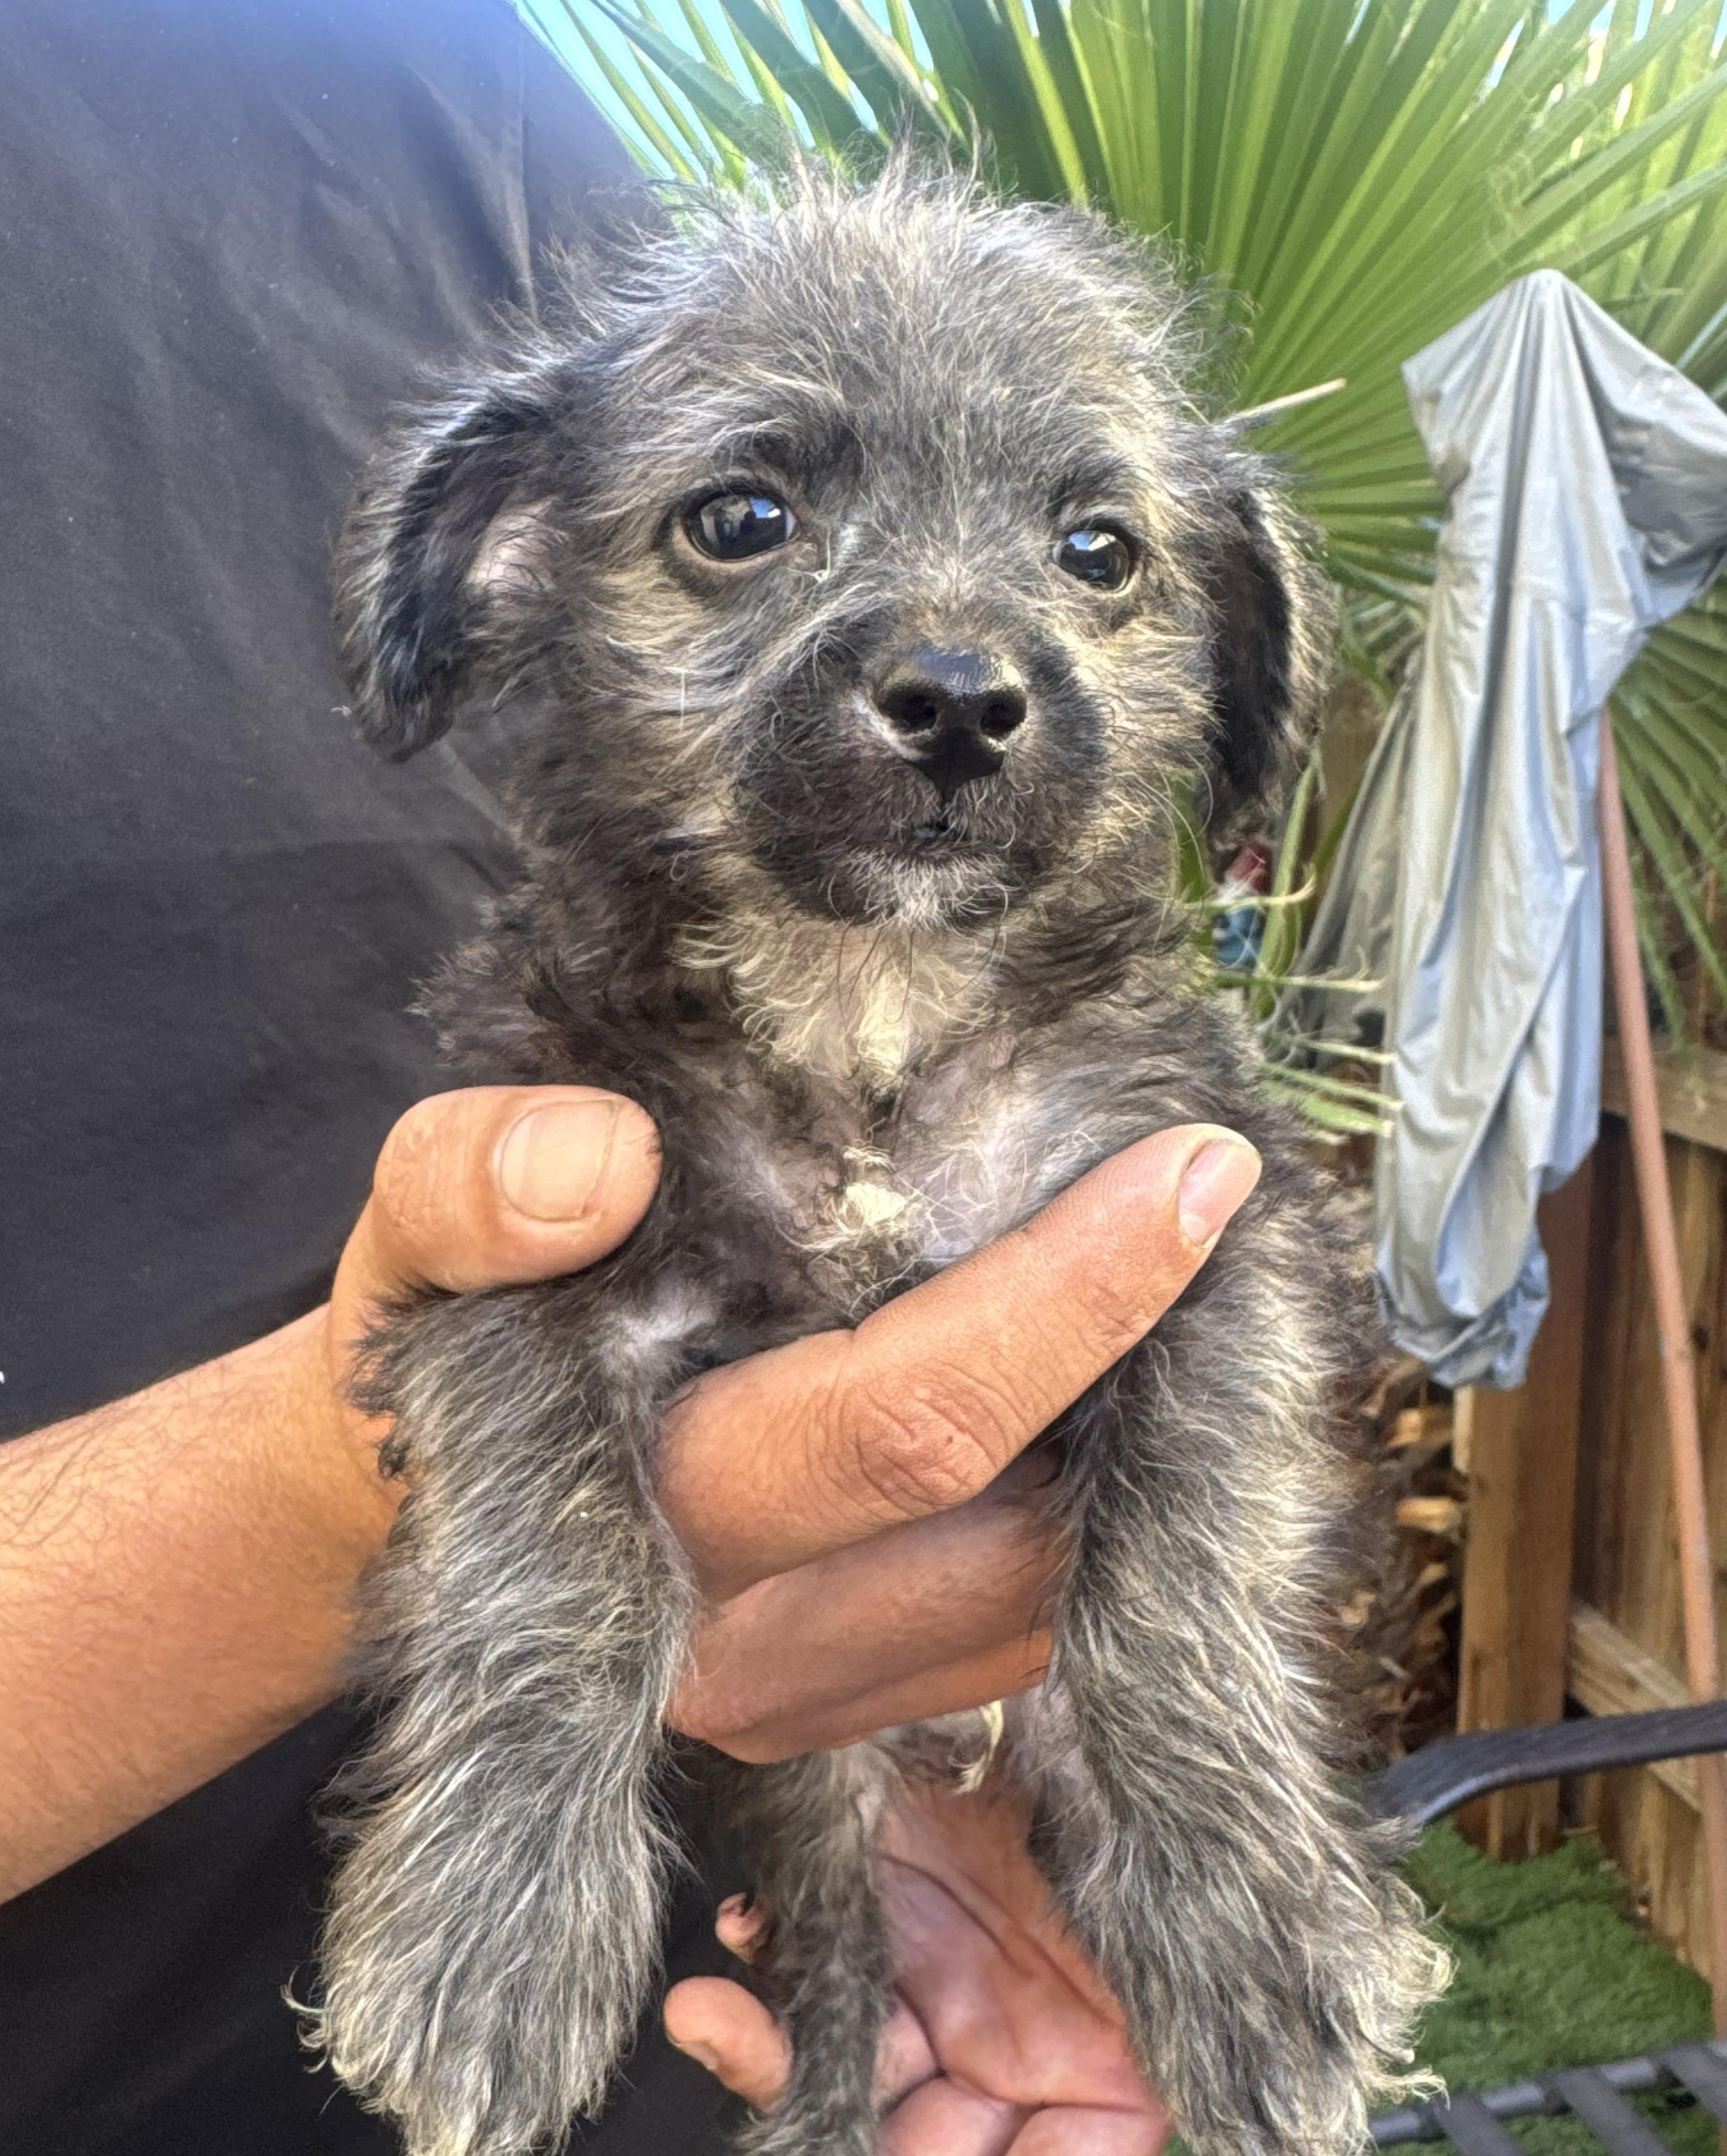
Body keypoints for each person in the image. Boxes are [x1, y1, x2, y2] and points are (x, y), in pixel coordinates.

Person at [0, 0, 1257, 2148]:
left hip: (711, 2013)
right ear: (499, 558)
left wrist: (999, 1747)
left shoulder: (484, 103)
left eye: (1091, 555)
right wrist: (369, 1516)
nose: (954, 661)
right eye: (748, 524)